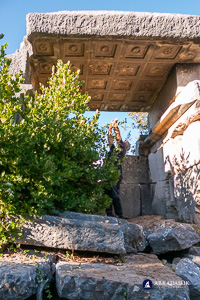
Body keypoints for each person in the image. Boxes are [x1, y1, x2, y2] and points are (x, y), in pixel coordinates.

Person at [106, 119, 130, 218]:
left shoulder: (120, 150)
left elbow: (118, 138)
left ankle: (118, 214)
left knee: (114, 195)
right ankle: (110, 214)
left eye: (126, 143)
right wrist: (110, 128)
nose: (124, 141)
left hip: (115, 175)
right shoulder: (114, 150)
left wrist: (114, 127)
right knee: (107, 195)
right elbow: (110, 140)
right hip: (108, 174)